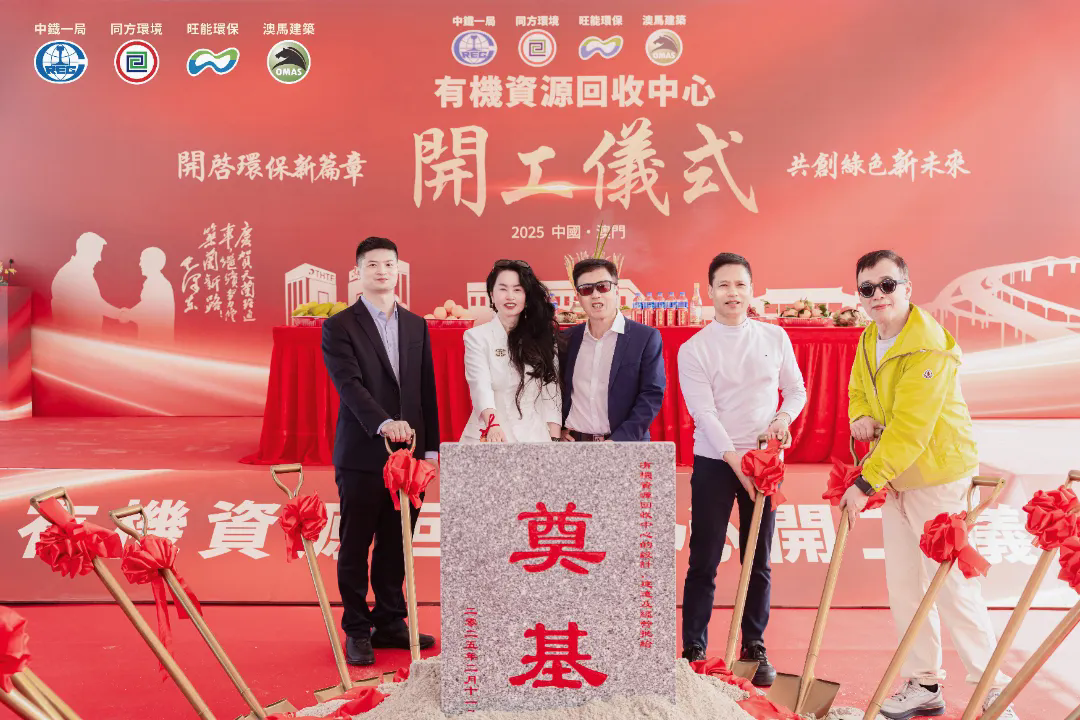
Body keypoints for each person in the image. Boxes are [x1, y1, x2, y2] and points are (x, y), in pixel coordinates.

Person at [839, 250, 1018, 720]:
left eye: (887, 285)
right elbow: (858, 388)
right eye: (867, 289)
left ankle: (992, 686)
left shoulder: (928, 347)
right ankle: (923, 682)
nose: (878, 296)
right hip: (898, 478)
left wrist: (865, 483)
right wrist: (860, 414)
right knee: (904, 586)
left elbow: (911, 429)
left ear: (907, 288)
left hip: (937, 477)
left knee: (952, 585)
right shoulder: (869, 338)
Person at [678, 253, 806, 687]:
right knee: (704, 557)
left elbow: (795, 390)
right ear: (710, 291)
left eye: (740, 285)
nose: (732, 293)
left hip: (765, 461)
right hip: (715, 462)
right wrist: (735, 459)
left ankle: (754, 644)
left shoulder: (774, 336)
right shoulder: (694, 348)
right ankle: (693, 648)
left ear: (752, 290)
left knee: (758, 558)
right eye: (724, 285)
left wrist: (782, 419)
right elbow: (704, 413)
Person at [321, 236, 439, 666]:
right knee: (356, 544)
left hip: (410, 457)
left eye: (389, 264)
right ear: (358, 272)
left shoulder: (416, 324)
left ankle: (390, 620)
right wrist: (383, 422)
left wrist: (431, 449)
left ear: (398, 270)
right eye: (372, 264)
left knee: (397, 542)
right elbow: (349, 385)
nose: (382, 271)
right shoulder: (340, 326)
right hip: (362, 452)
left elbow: (425, 390)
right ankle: (356, 628)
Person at [560, 257, 665, 442]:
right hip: (575, 445)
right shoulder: (566, 339)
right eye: (586, 289)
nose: (595, 295)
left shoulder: (645, 337)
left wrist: (618, 441)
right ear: (578, 297)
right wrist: (558, 429)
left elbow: (651, 395)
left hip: (626, 445)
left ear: (616, 290)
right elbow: (553, 391)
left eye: (603, 287)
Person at [461, 259, 562, 443]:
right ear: (492, 295)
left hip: (534, 436)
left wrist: (554, 439)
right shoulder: (476, 336)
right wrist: (492, 425)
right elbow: (480, 385)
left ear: (526, 296)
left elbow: (551, 390)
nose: (510, 296)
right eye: (503, 289)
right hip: (489, 435)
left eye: (517, 290)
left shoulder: (543, 337)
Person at [50, 231, 122, 333]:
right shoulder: (74, 275)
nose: (99, 259)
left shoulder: (76, 272)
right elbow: (96, 304)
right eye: (97, 253)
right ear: (87, 252)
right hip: (77, 338)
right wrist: (120, 314)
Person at [121, 247, 175, 344]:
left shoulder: (158, 283)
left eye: (142, 260)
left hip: (157, 341)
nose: (140, 264)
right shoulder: (154, 281)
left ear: (151, 263)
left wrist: (128, 314)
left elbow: (148, 309)